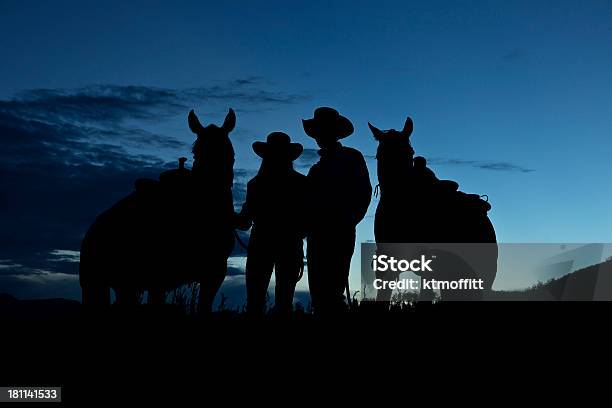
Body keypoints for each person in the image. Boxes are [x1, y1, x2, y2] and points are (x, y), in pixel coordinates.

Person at [302, 107, 372, 313]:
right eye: (318, 132)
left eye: (323, 131)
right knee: (318, 288)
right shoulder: (315, 170)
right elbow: (307, 203)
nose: (319, 137)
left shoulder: (351, 157)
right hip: (317, 233)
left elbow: (363, 191)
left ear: (334, 133)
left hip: (339, 229)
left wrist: (349, 219)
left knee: (333, 286)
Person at [235, 132, 307, 315]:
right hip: (289, 246)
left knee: (256, 301)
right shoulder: (300, 183)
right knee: (282, 301)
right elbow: (308, 220)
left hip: (262, 245)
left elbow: (244, 221)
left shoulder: (256, 184)